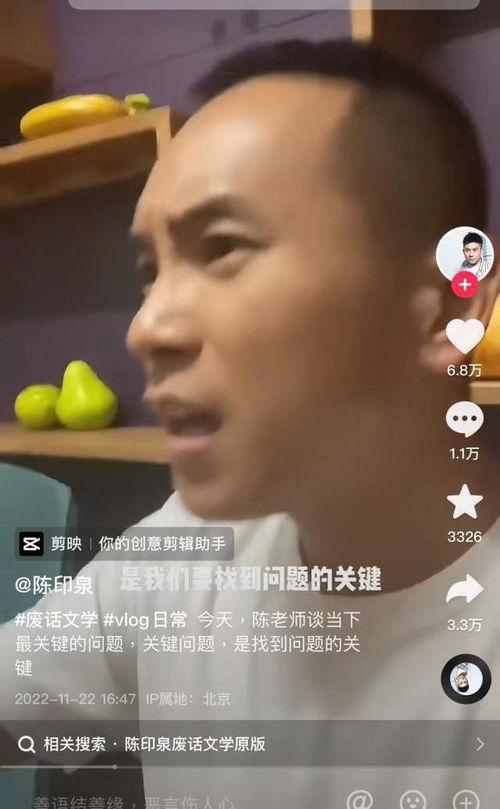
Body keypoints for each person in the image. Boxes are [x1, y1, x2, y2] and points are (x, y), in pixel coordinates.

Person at [2, 39, 500, 806]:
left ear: (448, 309)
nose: (146, 328)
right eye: (149, 271)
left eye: (224, 247)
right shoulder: (188, 553)